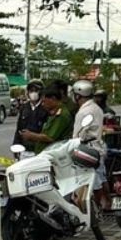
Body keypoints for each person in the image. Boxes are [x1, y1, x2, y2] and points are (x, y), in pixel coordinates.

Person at [71, 80, 108, 208]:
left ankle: (95, 210)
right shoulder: (96, 108)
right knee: (100, 179)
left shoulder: (83, 112)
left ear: (78, 96)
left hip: (87, 151)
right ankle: (104, 205)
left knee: (93, 183)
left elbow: (76, 137)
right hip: (98, 148)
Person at [19, 86, 72, 153]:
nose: (43, 104)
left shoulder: (61, 115)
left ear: (53, 99)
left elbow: (50, 137)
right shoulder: (53, 114)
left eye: (44, 101)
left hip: (54, 153)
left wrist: (31, 135)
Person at [13, 79, 48, 145]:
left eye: (36, 90)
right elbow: (19, 129)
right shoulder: (24, 108)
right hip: (25, 148)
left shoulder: (46, 108)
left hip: (40, 148)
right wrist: (16, 144)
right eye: (31, 91)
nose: (33, 93)